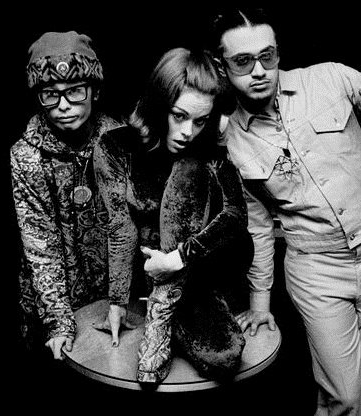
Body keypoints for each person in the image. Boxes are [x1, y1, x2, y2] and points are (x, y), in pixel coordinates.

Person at [210, 8, 361, 416]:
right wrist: (260, 303)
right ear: (221, 66)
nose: (259, 71)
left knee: (347, 392)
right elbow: (257, 227)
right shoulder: (233, 141)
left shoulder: (329, 78)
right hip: (316, 271)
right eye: (243, 62)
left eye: (267, 56)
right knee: (346, 396)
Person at [93, 47, 253, 384]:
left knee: (225, 358)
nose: (188, 132)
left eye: (200, 120)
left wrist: (178, 258)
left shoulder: (208, 152)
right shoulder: (116, 146)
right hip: (147, 275)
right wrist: (118, 301)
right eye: (179, 116)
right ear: (159, 104)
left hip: (195, 274)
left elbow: (236, 216)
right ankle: (160, 315)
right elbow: (120, 228)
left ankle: (169, 305)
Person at [11, 31, 122, 363]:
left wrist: (122, 297)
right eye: (50, 94)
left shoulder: (119, 141)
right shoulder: (26, 156)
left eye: (75, 91)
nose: (63, 105)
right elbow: (39, 243)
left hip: (113, 297)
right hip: (55, 303)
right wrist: (58, 320)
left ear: (95, 91)